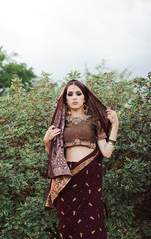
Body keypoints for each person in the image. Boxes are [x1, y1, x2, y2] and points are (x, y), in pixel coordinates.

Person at [43, 80, 119, 239]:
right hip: (67, 181)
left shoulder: (94, 121)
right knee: (69, 227)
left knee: (92, 223)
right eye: (70, 94)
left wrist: (115, 126)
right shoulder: (60, 124)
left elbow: (106, 152)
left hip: (90, 181)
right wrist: (46, 141)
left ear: (85, 98)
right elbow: (54, 157)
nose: (74, 97)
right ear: (65, 99)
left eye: (78, 93)